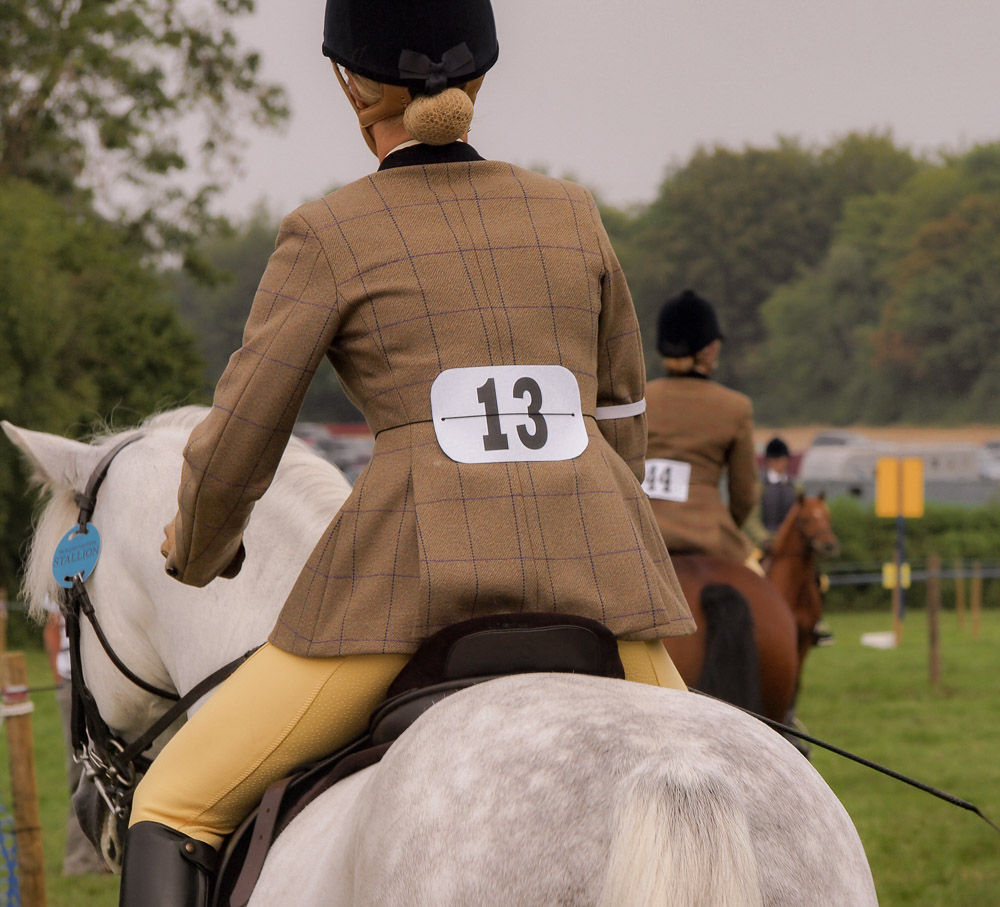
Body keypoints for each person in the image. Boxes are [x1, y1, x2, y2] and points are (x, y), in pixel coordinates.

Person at [118, 2, 695, 903]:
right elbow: (620, 405)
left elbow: (238, 440)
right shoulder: (571, 215)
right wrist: (604, 525)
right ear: (482, 75)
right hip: (604, 587)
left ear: (353, 87)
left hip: (405, 589)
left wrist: (197, 549)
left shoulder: (329, 232)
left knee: (173, 800)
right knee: (711, 762)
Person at [642, 289, 763, 574]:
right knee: (769, 596)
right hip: (709, 533)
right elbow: (744, 494)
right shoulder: (735, 407)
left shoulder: (636, 401)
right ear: (710, 349)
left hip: (640, 535)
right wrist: (725, 522)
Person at [42, 598, 109, 876]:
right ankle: (79, 861)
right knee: (81, 770)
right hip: (74, 683)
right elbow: (52, 626)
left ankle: (108, 855)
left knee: (114, 767)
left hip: (107, 680)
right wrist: (60, 673)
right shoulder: (62, 570)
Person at [760, 435, 798, 537]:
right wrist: (765, 538)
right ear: (770, 461)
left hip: (788, 539)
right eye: (778, 460)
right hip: (764, 541)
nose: (782, 463)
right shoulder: (759, 485)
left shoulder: (795, 486)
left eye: (784, 460)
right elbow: (752, 519)